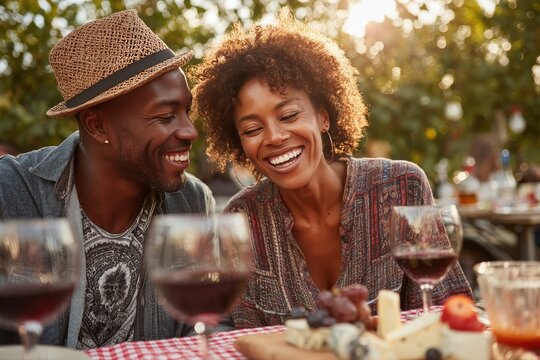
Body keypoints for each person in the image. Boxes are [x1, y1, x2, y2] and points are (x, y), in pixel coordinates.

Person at [191, 10, 473, 328]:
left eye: (288, 115)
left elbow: (450, 314)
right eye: (253, 129)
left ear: (323, 117)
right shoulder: (240, 222)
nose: (274, 137)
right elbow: (228, 335)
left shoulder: (401, 187)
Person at [0, 10, 214, 348]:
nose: (189, 131)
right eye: (165, 116)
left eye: (187, 111)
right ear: (97, 125)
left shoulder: (192, 202)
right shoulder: (9, 191)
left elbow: (202, 328)